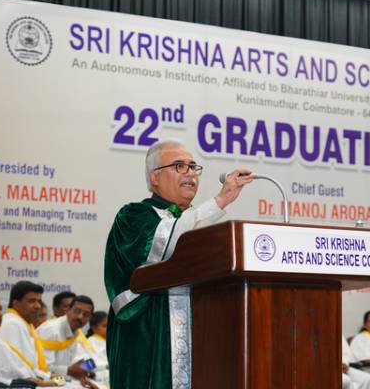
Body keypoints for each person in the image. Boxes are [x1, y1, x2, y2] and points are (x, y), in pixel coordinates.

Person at [104, 139, 254, 389]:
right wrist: (220, 200)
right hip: (149, 335)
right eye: (179, 166)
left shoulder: (197, 223)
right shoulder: (133, 216)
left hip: (198, 335)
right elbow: (167, 242)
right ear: (154, 177)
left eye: (193, 167)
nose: (190, 173)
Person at [37, 295, 95, 387]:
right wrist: (68, 371)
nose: (80, 317)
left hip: (59, 381)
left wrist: (80, 378)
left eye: (86, 314)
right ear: (68, 310)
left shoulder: (76, 333)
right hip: (40, 382)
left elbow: (84, 364)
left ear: (89, 318)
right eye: (77, 311)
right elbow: (42, 369)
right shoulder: (51, 330)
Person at [0, 280, 47, 374]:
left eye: (39, 301)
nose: (38, 306)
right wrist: (46, 379)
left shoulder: (25, 325)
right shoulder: (12, 324)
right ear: (16, 304)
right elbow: (13, 368)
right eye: (32, 301)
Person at [75, 311, 108, 384]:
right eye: (105, 326)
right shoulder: (92, 342)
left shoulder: (109, 341)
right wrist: (107, 366)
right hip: (99, 378)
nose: (109, 328)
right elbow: (86, 365)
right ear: (94, 328)